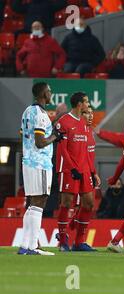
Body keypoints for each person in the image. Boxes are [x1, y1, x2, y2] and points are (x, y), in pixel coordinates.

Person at [17, 82, 62, 255]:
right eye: (49, 91)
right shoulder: (41, 115)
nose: (51, 93)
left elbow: (22, 134)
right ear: (44, 93)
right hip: (40, 163)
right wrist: (54, 137)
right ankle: (32, 246)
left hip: (28, 161)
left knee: (32, 203)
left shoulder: (27, 111)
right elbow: (40, 141)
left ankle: (25, 245)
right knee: (39, 201)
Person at [55, 92, 97, 252]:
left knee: (89, 204)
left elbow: (86, 151)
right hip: (68, 169)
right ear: (80, 104)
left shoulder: (85, 124)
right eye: (86, 102)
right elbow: (62, 149)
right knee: (66, 203)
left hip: (85, 170)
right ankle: (63, 240)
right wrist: (72, 168)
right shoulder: (64, 122)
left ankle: (79, 242)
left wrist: (93, 172)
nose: (88, 104)